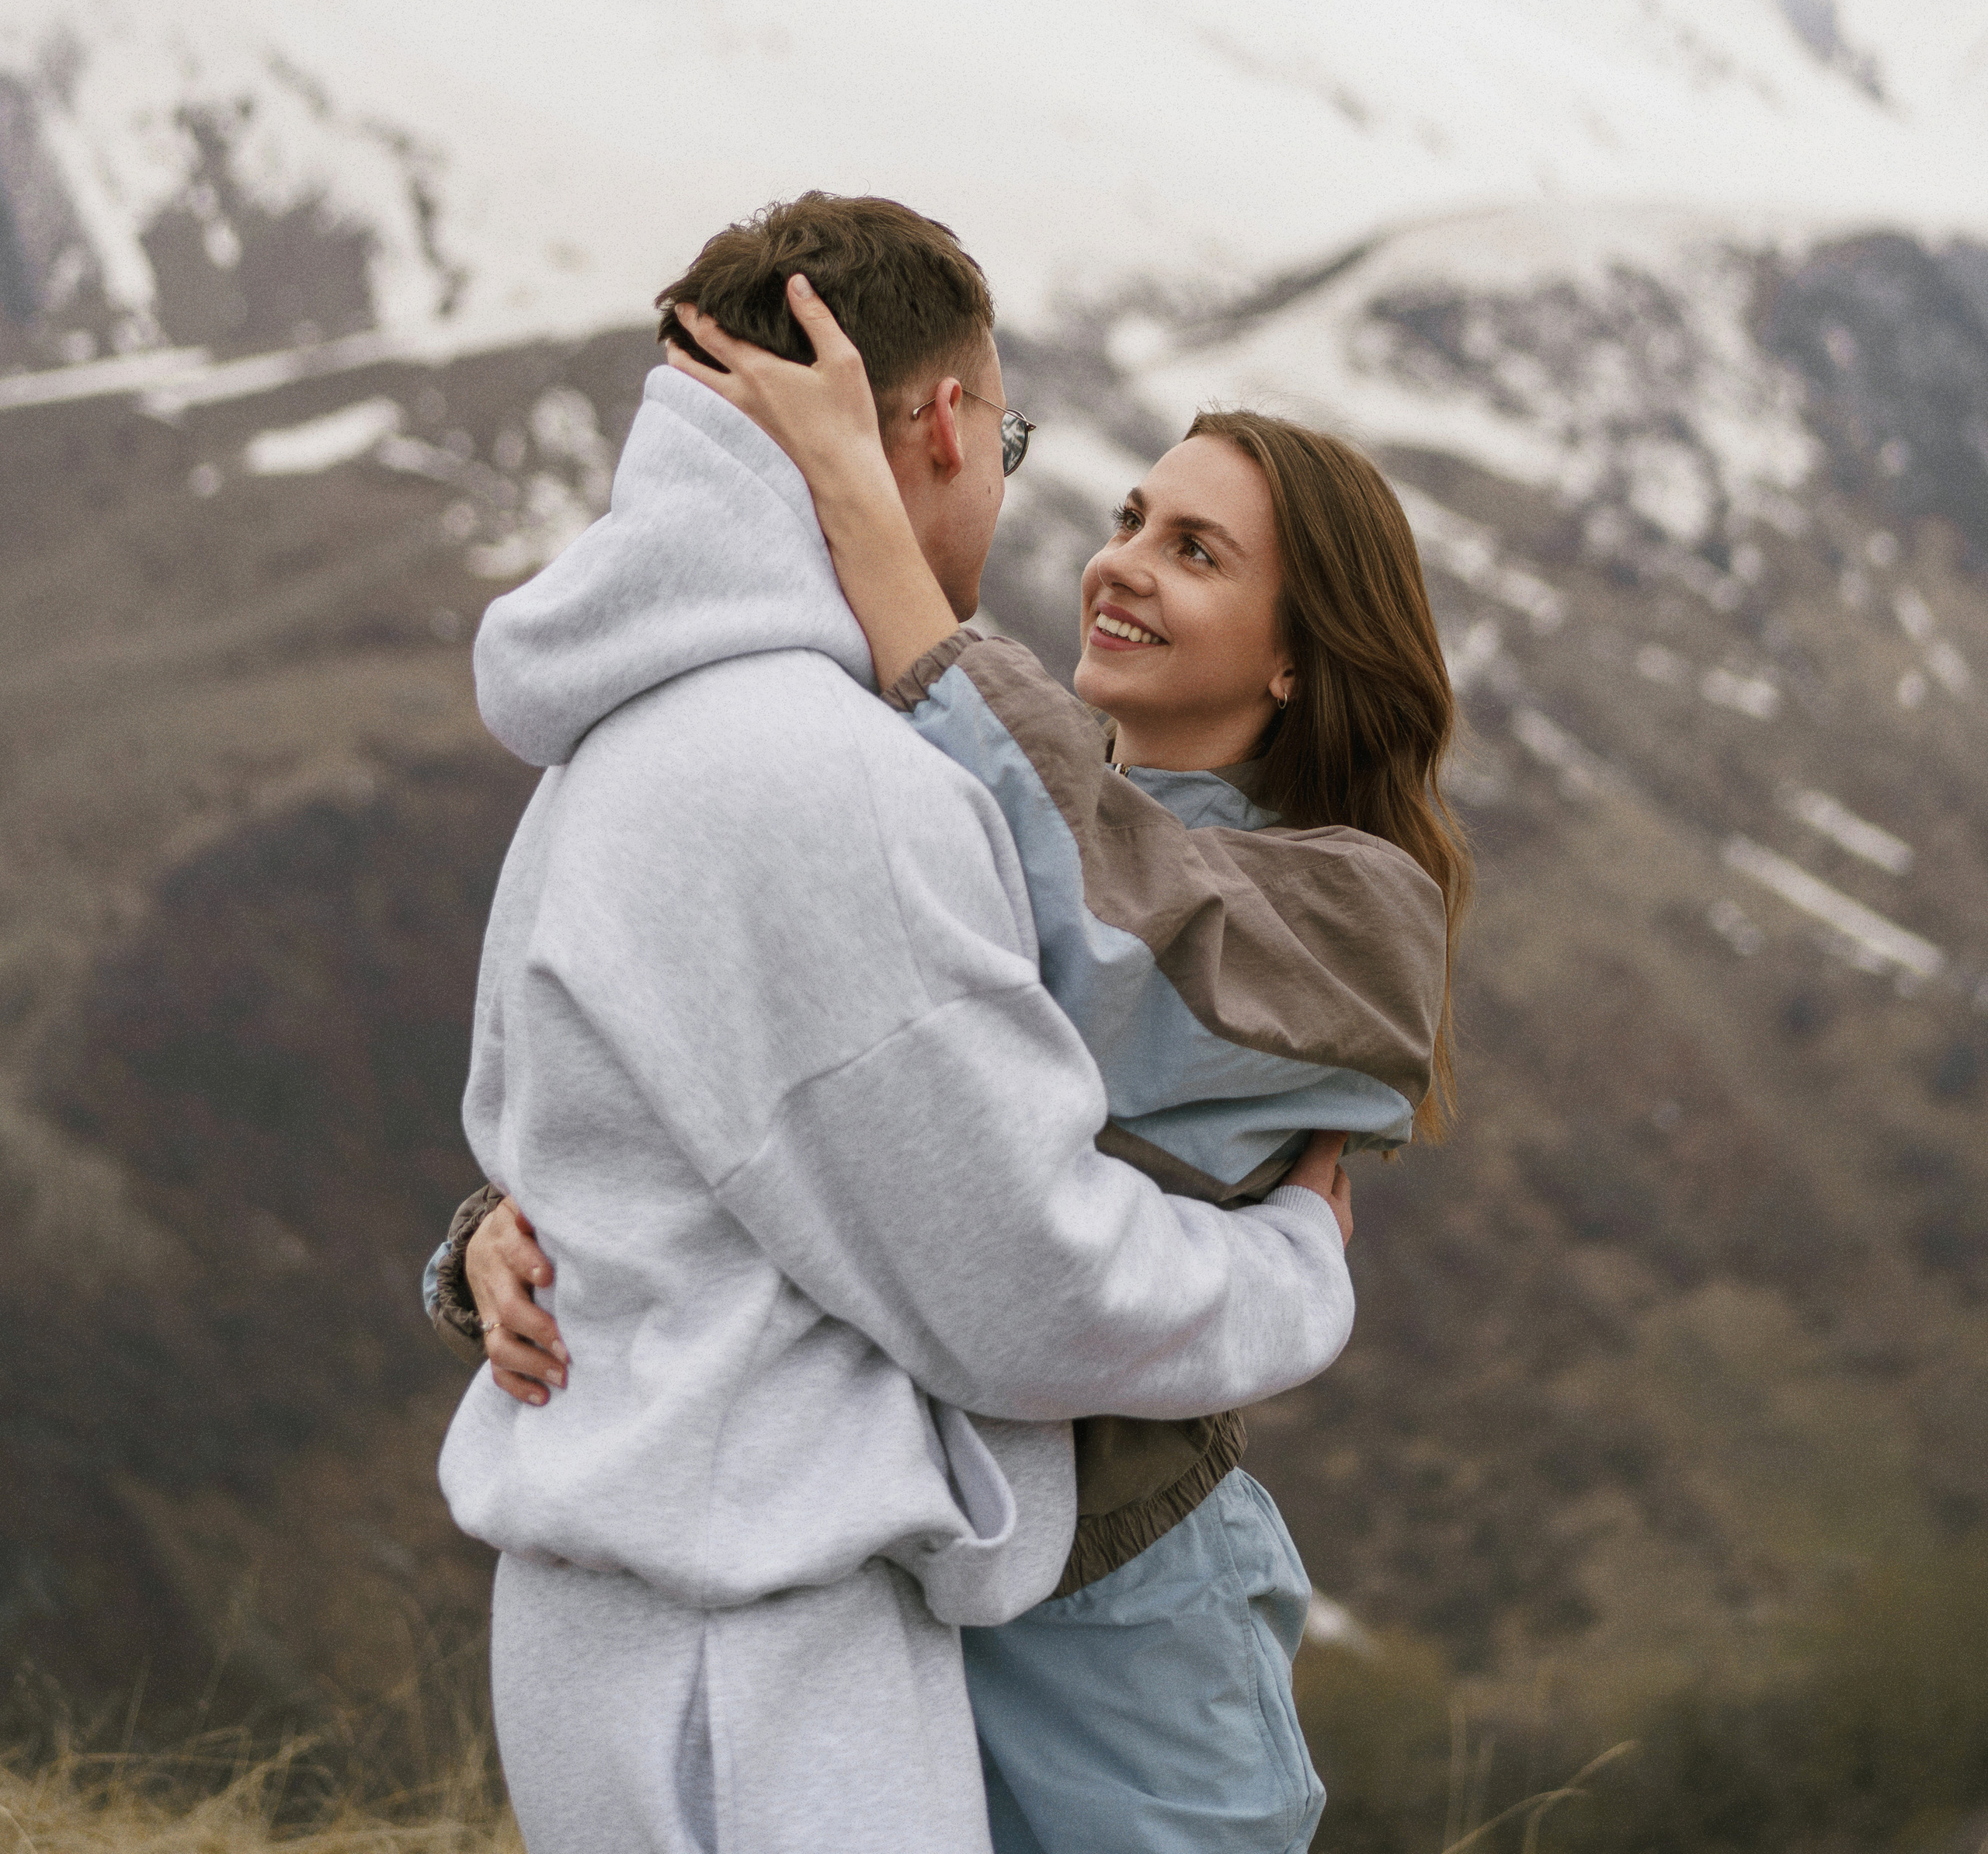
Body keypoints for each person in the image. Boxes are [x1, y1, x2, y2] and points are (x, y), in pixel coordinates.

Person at [436, 217, 1469, 1853]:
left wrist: (874, 534)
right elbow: (792, 1119)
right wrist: (517, 1228)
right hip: (916, 1592)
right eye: (1127, 515)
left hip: (1123, 1600)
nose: (1119, 558)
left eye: (1197, 552)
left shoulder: (1350, 907)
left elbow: (1124, 938)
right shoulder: (945, 802)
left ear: (1297, 652)